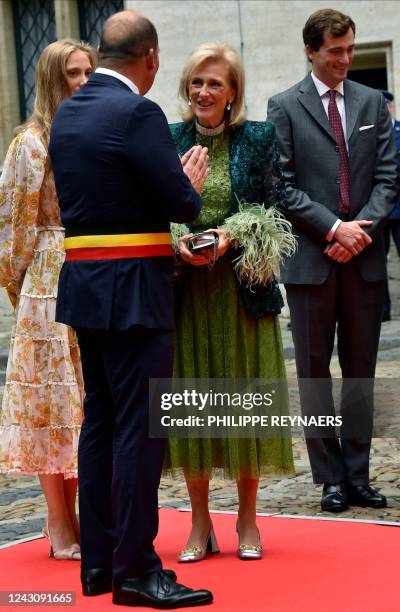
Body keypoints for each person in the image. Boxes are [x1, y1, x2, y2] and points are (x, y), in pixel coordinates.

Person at [49, 10, 212, 609]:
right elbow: (182, 205)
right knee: (141, 429)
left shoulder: (69, 112)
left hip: (87, 286)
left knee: (101, 421)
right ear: (150, 57)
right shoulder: (137, 112)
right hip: (136, 290)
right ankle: (139, 570)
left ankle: (99, 563)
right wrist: (186, 180)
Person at [163, 42, 296, 561]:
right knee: (192, 405)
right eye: (196, 81)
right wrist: (178, 239)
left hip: (243, 290)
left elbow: (274, 203)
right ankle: (199, 525)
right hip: (186, 294)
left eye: (214, 82)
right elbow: (152, 204)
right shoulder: (168, 138)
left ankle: (246, 521)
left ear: (233, 92)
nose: (203, 91)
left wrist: (230, 235)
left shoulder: (258, 137)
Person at [267, 8, 399, 513]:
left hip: (362, 260)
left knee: (361, 370)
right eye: (335, 51)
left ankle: (359, 473)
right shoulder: (284, 106)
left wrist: (357, 231)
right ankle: (330, 479)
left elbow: (389, 178)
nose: (345, 59)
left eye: (349, 50)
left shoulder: (370, 101)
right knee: (314, 372)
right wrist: (331, 227)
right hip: (310, 260)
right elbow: (281, 185)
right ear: (311, 51)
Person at [0, 39, 96, 559]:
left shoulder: (88, 134)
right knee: (47, 403)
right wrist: (23, 291)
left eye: (88, 71)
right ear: (52, 79)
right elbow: (11, 228)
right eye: (72, 73)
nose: (82, 81)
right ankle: (57, 519)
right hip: (45, 278)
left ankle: (74, 514)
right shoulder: (31, 143)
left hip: (89, 269)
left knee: (77, 404)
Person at [381, 91, 400, 322]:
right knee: (377, 264)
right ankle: (383, 311)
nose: (384, 109)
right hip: (379, 213)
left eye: (386, 105)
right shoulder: (370, 134)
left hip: (399, 210)